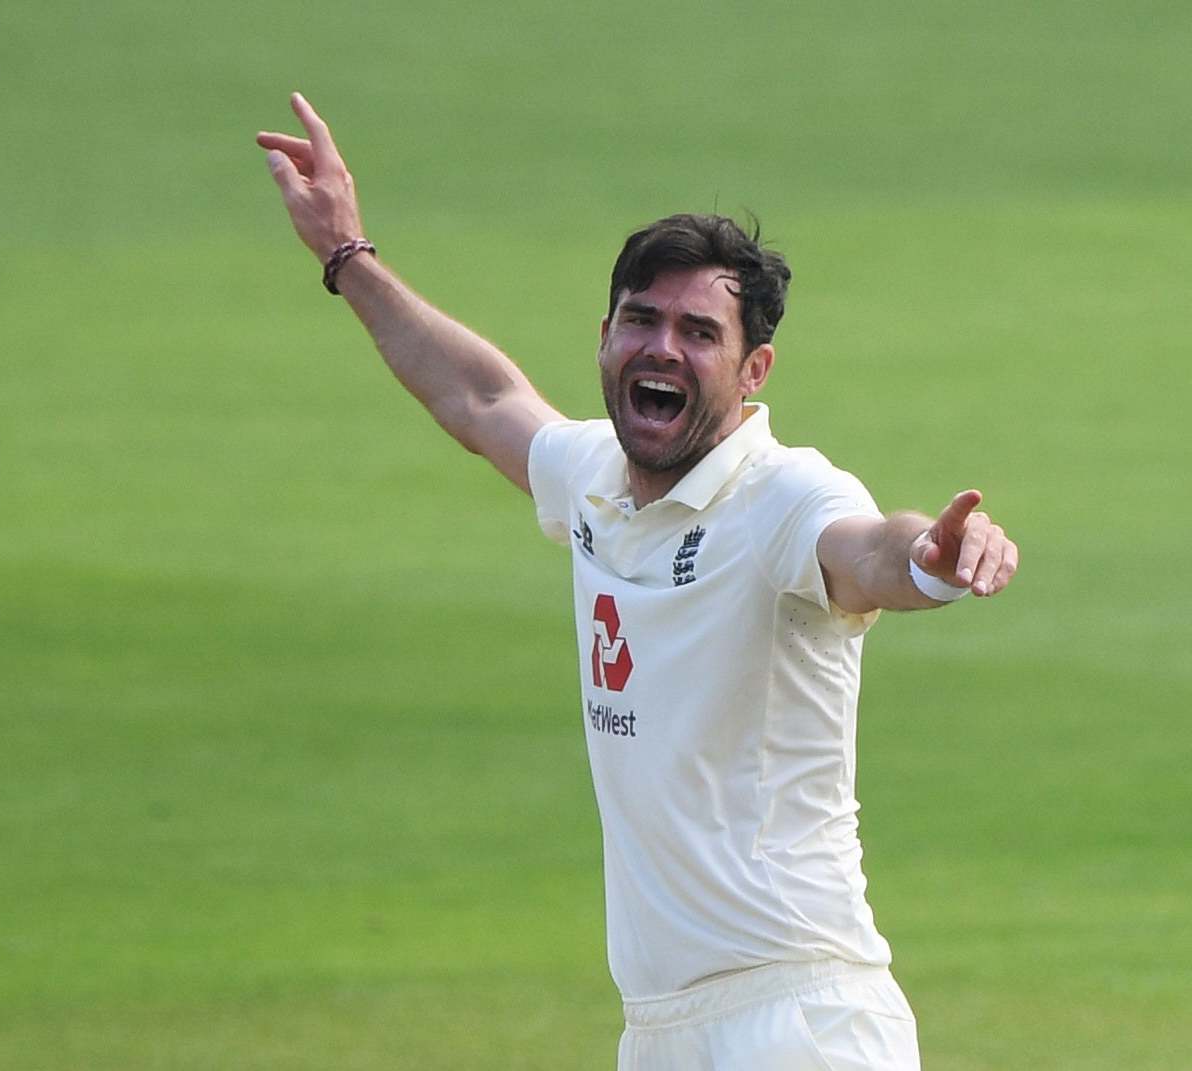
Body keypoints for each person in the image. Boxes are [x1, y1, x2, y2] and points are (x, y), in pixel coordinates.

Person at [257, 92, 1019, 1071]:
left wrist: (934, 560)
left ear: (755, 371)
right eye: (641, 320)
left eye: (700, 332)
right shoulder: (592, 480)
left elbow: (869, 550)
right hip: (662, 1030)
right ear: (605, 337)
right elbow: (482, 394)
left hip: (798, 1020)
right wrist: (346, 256)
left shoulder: (781, 495)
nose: (663, 346)